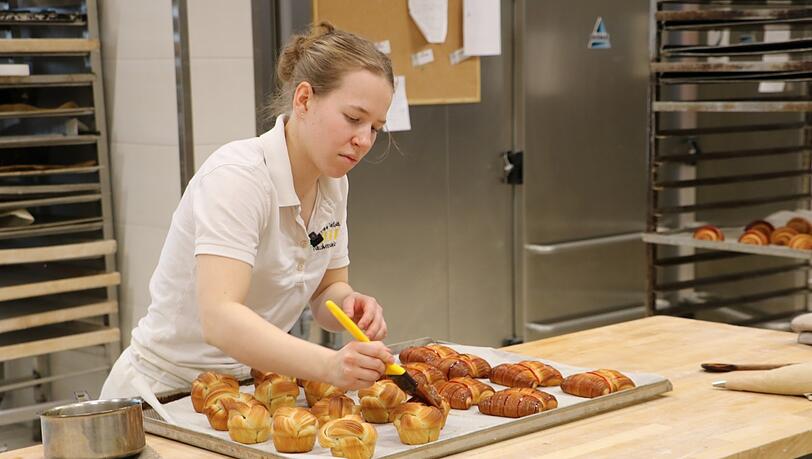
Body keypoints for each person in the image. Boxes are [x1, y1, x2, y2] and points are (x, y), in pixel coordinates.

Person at [100, 22, 396, 399]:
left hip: (247, 390)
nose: (364, 140)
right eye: (354, 119)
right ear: (304, 99)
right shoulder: (239, 177)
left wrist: (349, 305)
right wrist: (329, 365)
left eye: (375, 128)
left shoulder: (333, 182)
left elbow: (325, 291)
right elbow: (220, 319)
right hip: (164, 393)